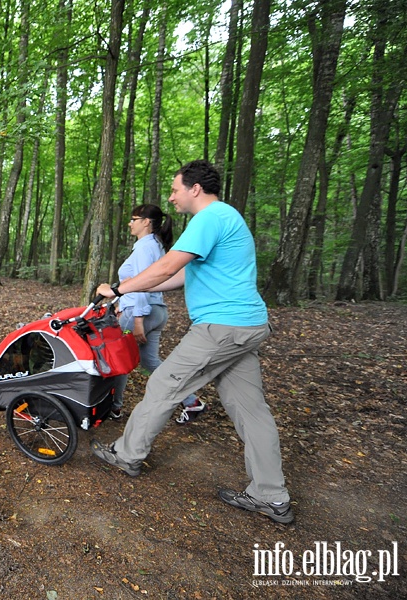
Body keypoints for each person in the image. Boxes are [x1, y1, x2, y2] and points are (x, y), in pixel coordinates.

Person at [91, 160, 293, 524]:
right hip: (246, 326)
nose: (171, 197)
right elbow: (179, 276)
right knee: (249, 408)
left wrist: (118, 288)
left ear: (195, 188)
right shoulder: (226, 217)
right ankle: (271, 494)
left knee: (164, 383)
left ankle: (127, 454)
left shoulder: (209, 218)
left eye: (175, 189)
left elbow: (167, 266)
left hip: (222, 327)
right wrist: (135, 290)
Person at [108, 204, 205, 424]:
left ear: (146, 222)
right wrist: (122, 304)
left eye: (133, 219)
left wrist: (138, 320)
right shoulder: (156, 245)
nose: (130, 223)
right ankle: (191, 402)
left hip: (141, 313)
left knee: (119, 359)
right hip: (158, 311)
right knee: (150, 362)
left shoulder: (144, 247)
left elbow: (142, 283)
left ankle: (114, 407)